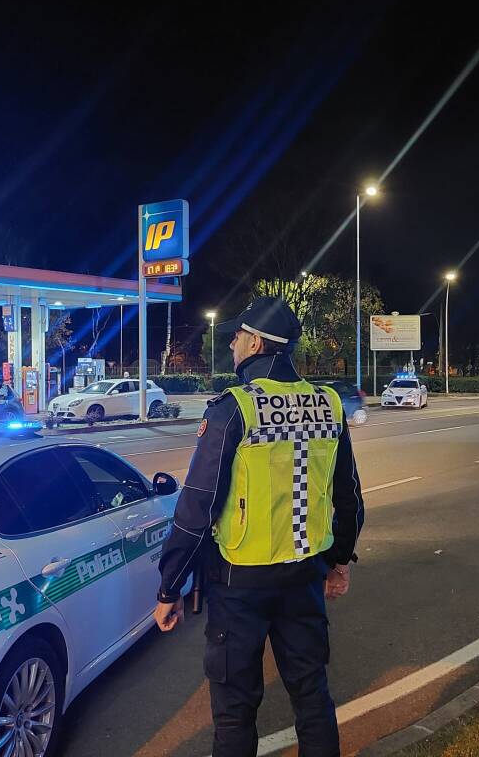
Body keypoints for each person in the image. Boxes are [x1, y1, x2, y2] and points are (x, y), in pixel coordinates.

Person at [154, 297, 364, 757]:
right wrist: (340, 560)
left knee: (234, 711)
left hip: (239, 583)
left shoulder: (236, 408)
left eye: (235, 336)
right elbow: (348, 495)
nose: (231, 344)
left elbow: (196, 509)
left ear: (255, 342)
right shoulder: (327, 403)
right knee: (312, 696)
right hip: (305, 574)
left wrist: (169, 588)